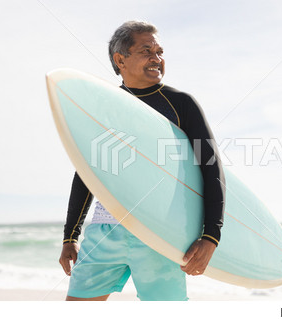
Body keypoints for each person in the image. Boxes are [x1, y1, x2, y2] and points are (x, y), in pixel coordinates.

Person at [59, 21, 226, 301]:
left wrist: (211, 236)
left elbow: (211, 170)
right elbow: (86, 173)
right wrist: (70, 236)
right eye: (147, 50)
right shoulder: (102, 108)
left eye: (160, 52)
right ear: (120, 59)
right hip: (103, 231)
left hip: (159, 233)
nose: (157, 59)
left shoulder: (181, 104)